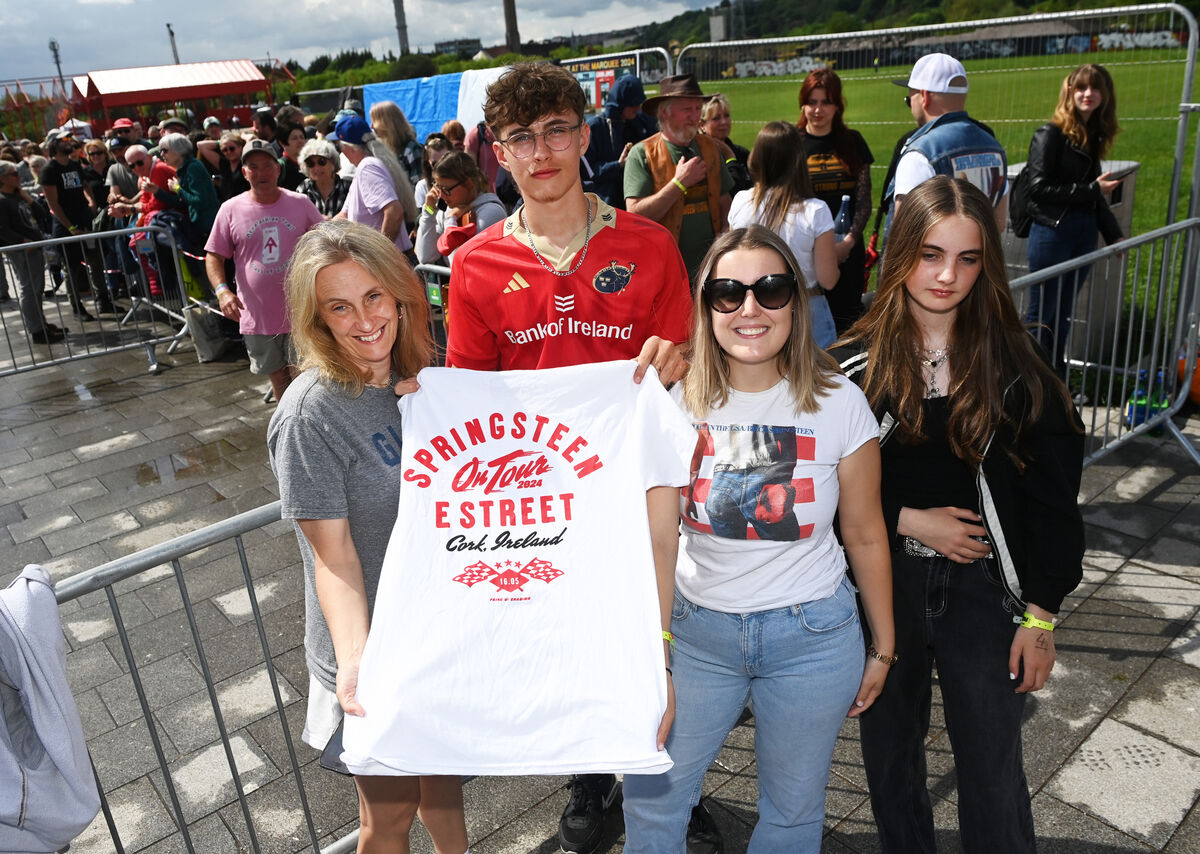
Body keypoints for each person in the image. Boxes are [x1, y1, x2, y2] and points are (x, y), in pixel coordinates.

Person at [444, 61, 693, 854]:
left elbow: (691, 356)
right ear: (500, 154)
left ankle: (673, 789)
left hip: (641, 493)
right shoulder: (476, 265)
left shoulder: (651, 245)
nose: (542, 149)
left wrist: (682, 357)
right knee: (573, 642)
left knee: (659, 640)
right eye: (521, 136)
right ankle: (590, 779)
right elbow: (470, 402)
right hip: (546, 502)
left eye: (557, 130)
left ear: (585, 136)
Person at [622, 224, 894, 853]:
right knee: (653, 800)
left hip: (813, 640)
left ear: (795, 303)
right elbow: (656, 543)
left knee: (793, 814)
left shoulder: (840, 403)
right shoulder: (668, 404)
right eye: (729, 292)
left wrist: (884, 646)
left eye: (771, 290)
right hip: (694, 636)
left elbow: (864, 532)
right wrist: (656, 651)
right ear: (706, 304)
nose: (750, 309)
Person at [835, 176, 1085, 854]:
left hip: (985, 593)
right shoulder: (847, 372)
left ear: (988, 264)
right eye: (930, 254)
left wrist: (1041, 615)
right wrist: (909, 519)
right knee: (888, 760)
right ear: (899, 254)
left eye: (968, 258)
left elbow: (1055, 506)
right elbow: (815, 491)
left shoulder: (1019, 369)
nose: (947, 275)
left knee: (992, 764)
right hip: (883, 590)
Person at [266, 219, 469, 854]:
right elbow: (333, 558)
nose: (364, 320)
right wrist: (359, 663)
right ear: (317, 319)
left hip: (434, 637)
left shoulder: (420, 381)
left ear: (400, 294)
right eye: (339, 307)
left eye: (374, 297)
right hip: (374, 651)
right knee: (389, 814)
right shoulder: (309, 415)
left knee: (445, 788)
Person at [205, 139, 324, 401]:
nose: (261, 173)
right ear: (244, 171)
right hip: (257, 315)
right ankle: (288, 434)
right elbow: (214, 256)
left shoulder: (300, 203)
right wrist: (223, 292)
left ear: (278, 169)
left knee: (304, 378)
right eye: (253, 167)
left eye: (267, 166)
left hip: (301, 311)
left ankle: (309, 432)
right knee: (279, 379)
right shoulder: (229, 209)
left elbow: (324, 242)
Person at [1024, 63, 1124, 371]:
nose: (1088, 94)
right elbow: (1038, 188)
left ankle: (1057, 382)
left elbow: (1095, 198)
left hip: (1082, 233)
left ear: (1105, 95)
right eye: (1081, 87)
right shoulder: (1050, 134)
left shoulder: (1090, 136)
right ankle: (1029, 385)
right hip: (1052, 233)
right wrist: (1092, 189)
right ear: (1069, 92)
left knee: (1063, 314)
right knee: (1042, 316)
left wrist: (1114, 235)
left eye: (1095, 88)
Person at [729, 122, 840, 349]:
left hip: (754, 308)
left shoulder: (740, 202)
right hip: (807, 309)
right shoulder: (815, 211)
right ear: (798, 160)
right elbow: (829, 279)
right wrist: (839, 252)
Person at [625, 74, 733, 277]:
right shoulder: (642, 154)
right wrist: (679, 183)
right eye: (687, 110)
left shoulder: (709, 147)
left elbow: (724, 201)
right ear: (665, 113)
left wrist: (725, 233)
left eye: (698, 109)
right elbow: (635, 215)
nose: (696, 116)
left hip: (711, 271)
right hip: (664, 272)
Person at [886, 54, 1007, 232]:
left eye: (910, 97)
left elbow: (904, 234)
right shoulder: (994, 146)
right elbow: (999, 223)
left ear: (924, 96)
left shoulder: (921, 154)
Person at [797, 68, 874, 334]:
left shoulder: (852, 142)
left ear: (838, 105)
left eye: (826, 102)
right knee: (806, 330)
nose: (818, 110)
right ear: (803, 104)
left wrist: (849, 242)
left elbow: (863, 201)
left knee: (846, 325)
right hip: (805, 254)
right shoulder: (793, 144)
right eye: (812, 102)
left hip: (847, 250)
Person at [39, 137, 110, 319]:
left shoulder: (74, 164)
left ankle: (103, 300)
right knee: (71, 268)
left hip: (84, 219)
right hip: (66, 225)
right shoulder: (49, 170)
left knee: (95, 259)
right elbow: (53, 203)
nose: (68, 142)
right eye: (63, 140)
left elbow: (85, 184)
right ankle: (77, 307)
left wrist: (91, 200)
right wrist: (70, 226)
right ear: (54, 147)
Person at [329, 115, 417, 255]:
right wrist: (320, 229)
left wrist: (382, 254)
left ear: (349, 148)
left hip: (391, 262)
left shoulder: (367, 167)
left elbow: (394, 211)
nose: (339, 149)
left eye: (338, 144)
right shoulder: (366, 167)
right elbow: (344, 215)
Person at [0, 161, 61, 343]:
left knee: (37, 288)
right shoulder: (2, 200)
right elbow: (2, 229)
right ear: (3, 178)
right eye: (14, 174)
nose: (19, 176)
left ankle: (41, 323)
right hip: (23, 250)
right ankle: (37, 330)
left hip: (34, 246)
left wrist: (26, 197)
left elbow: (41, 213)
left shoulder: (17, 195)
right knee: (29, 289)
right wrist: (23, 242)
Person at [414, 151, 505, 265]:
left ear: (468, 183)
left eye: (446, 189)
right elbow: (426, 257)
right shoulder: (447, 209)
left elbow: (460, 264)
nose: (441, 195)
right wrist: (429, 211)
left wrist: (451, 220)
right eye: (438, 187)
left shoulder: (491, 213)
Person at [582, 74, 657, 209]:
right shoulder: (595, 127)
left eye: (639, 103)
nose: (638, 107)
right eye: (633, 104)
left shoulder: (642, 121)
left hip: (641, 195)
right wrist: (618, 165)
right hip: (609, 203)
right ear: (620, 103)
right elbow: (590, 172)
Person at [699, 93, 751, 193]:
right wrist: (730, 159)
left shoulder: (742, 153)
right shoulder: (699, 157)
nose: (723, 122)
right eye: (716, 118)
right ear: (702, 125)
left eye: (726, 116)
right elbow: (732, 192)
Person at [370, 101, 423, 187]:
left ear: (387, 123)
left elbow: (418, 187)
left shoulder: (411, 149)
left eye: (374, 121)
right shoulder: (381, 149)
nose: (372, 126)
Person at [298, 138, 351, 218]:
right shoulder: (303, 188)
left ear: (333, 164)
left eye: (321, 161)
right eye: (311, 163)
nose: (316, 168)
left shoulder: (348, 187)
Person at [414, 133, 452, 211]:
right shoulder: (422, 187)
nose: (440, 168)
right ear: (428, 163)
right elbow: (423, 219)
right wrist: (430, 207)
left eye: (444, 161)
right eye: (435, 164)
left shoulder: (461, 184)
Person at [217, 133, 250, 201]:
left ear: (240, 147)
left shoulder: (247, 162)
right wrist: (222, 141)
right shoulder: (224, 164)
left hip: (245, 204)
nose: (228, 152)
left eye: (232, 148)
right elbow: (201, 146)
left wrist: (242, 137)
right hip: (228, 206)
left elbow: (251, 138)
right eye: (225, 150)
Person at [278, 124, 308, 192]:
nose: (300, 141)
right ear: (282, 143)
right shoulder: (280, 167)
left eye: (302, 137)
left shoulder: (311, 163)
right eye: (294, 138)